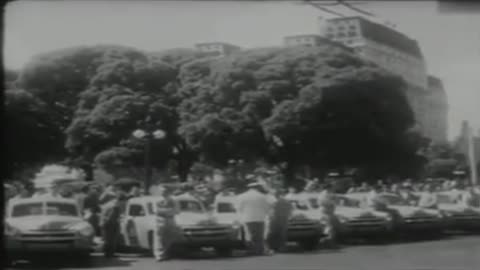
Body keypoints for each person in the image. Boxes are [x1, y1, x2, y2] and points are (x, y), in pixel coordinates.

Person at [236, 181, 274, 256]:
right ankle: (259, 250)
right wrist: (267, 214)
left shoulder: (241, 196)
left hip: (247, 218)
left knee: (250, 235)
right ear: (257, 188)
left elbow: (238, 208)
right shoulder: (262, 196)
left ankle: (252, 250)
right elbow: (267, 208)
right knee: (259, 235)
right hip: (260, 218)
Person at [153, 186, 182, 261]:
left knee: (169, 237)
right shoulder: (157, 199)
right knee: (159, 237)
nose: (163, 192)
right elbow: (155, 210)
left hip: (170, 219)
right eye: (162, 191)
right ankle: (159, 255)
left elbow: (177, 210)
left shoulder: (173, 200)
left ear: (168, 191)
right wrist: (167, 210)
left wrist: (166, 210)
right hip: (160, 219)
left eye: (165, 191)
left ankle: (166, 253)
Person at [100, 185, 128, 258]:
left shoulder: (111, 202)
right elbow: (111, 217)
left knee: (107, 239)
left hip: (105, 222)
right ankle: (110, 254)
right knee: (111, 240)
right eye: (125, 201)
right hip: (110, 224)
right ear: (122, 200)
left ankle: (107, 253)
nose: (125, 203)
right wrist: (116, 224)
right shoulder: (116, 206)